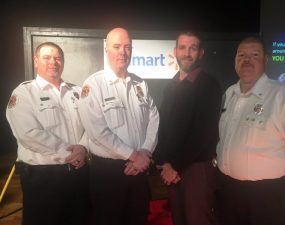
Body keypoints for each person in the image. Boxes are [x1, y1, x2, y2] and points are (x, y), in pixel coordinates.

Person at [78, 27, 159, 225]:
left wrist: (146, 152)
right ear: (107, 49)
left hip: (139, 169)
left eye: (127, 47)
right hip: (108, 174)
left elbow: (154, 118)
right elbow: (97, 131)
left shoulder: (141, 84)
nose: (123, 52)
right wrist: (134, 156)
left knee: (138, 218)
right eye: (116, 46)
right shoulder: (93, 85)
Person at [216, 36, 285, 225]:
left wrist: (282, 173)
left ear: (265, 60)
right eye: (241, 55)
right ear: (235, 60)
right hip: (229, 190)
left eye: (255, 54)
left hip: (266, 196)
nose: (247, 60)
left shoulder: (283, 96)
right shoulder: (229, 93)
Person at [6, 42, 90, 225]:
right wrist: (71, 154)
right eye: (47, 57)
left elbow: (91, 125)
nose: (53, 61)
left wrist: (83, 148)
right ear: (36, 61)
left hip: (78, 174)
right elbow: (28, 133)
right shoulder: (24, 93)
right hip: (43, 179)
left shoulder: (76, 92)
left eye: (58, 58)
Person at [152, 31, 223, 225]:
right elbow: (163, 127)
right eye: (182, 47)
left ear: (201, 53)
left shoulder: (209, 85)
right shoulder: (171, 86)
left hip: (196, 170)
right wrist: (164, 162)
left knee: (197, 220)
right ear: (175, 51)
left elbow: (203, 134)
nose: (187, 53)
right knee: (179, 220)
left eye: (193, 48)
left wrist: (173, 165)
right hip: (174, 169)